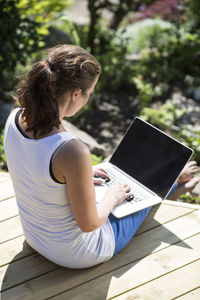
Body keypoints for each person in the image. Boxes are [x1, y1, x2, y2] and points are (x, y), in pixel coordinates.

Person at [4, 45, 200, 269]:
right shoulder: (71, 151)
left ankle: (173, 183)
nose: (88, 100)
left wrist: (78, 176)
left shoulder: (13, 118)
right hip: (78, 253)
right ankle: (174, 185)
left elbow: (32, 171)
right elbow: (89, 225)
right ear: (76, 93)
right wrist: (111, 197)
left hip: (35, 237)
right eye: (89, 93)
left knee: (121, 189)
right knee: (140, 195)